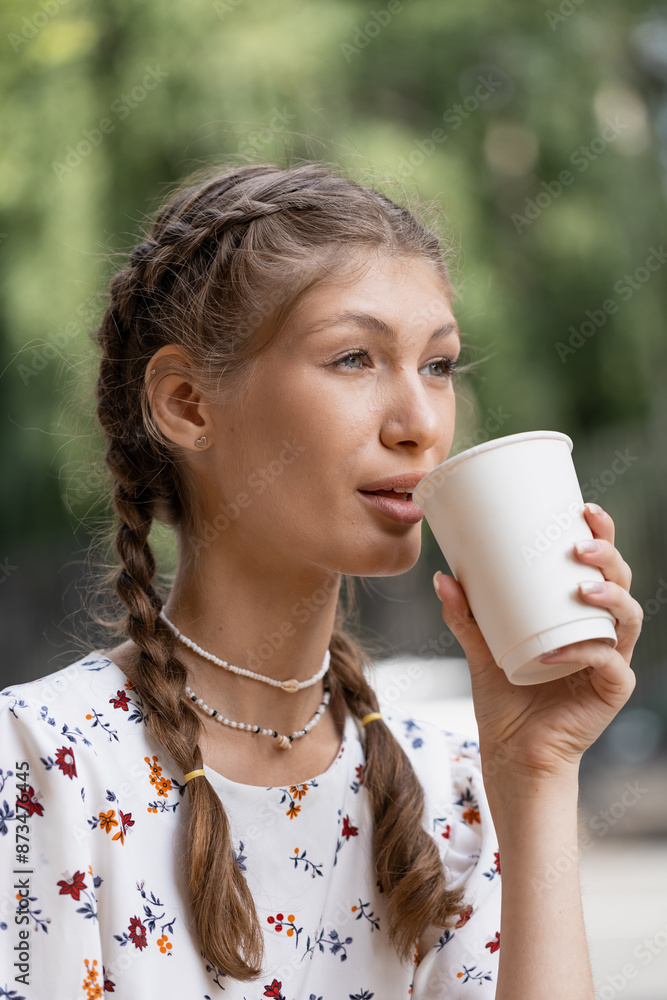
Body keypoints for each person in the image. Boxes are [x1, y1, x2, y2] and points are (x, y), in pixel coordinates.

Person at [0, 161, 641, 1000]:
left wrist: (537, 775)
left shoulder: (451, 787)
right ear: (188, 402)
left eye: (439, 366)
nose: (419, 425)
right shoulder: (43, 765)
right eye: (352, 358)